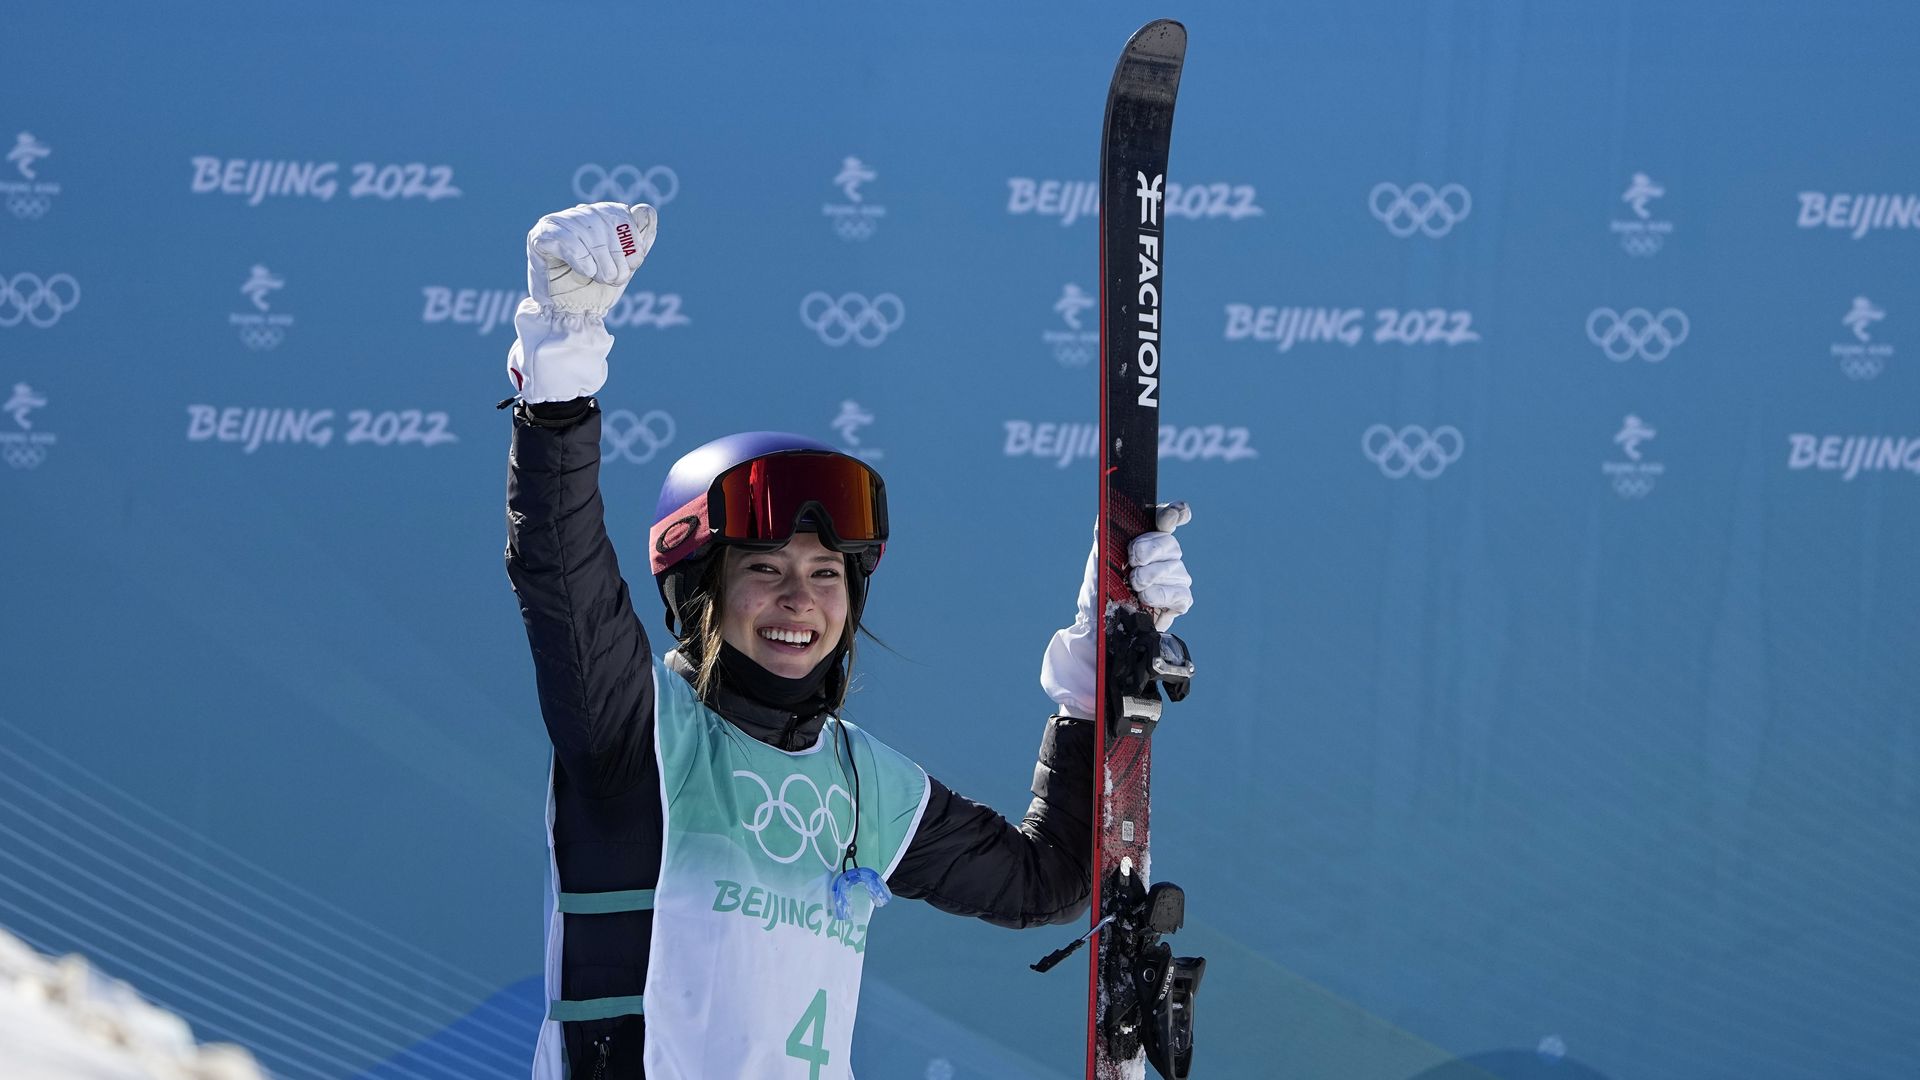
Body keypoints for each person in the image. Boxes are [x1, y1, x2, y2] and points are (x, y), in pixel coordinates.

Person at [502, 202, 1195, 1079]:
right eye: (765, 569)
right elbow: (560, 575)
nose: (802, 600)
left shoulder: (866, 785)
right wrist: (559, 373)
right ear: (700, 593)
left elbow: (1049, 884)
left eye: (829, 574)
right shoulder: (635, 734)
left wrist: (1104, 664)